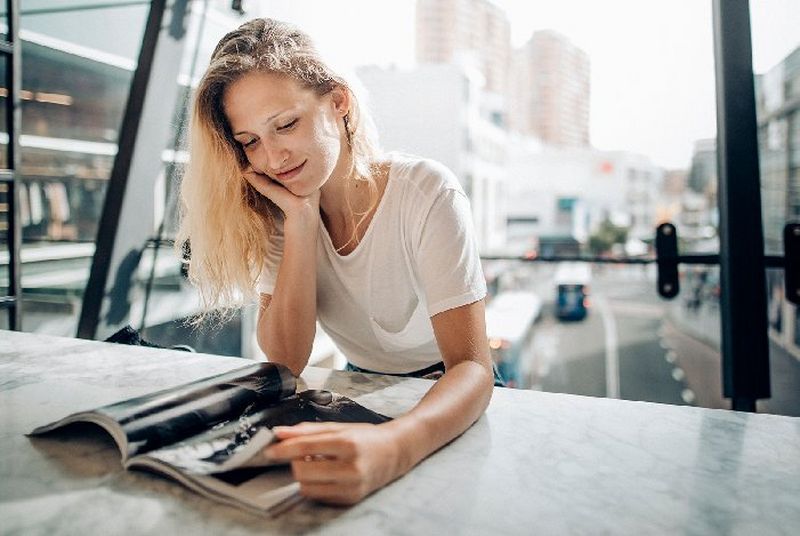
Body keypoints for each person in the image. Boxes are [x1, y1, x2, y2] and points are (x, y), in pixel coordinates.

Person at [178, 18, 496, 506]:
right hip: (364, 390)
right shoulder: (283, 212)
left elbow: (474, 367)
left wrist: (395, 447)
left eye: (285, 124)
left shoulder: (427, 191)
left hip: (449, 402)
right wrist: (301, 221)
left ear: (338, 102)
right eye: (250, 141)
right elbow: (285, 359)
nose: (273, 156)